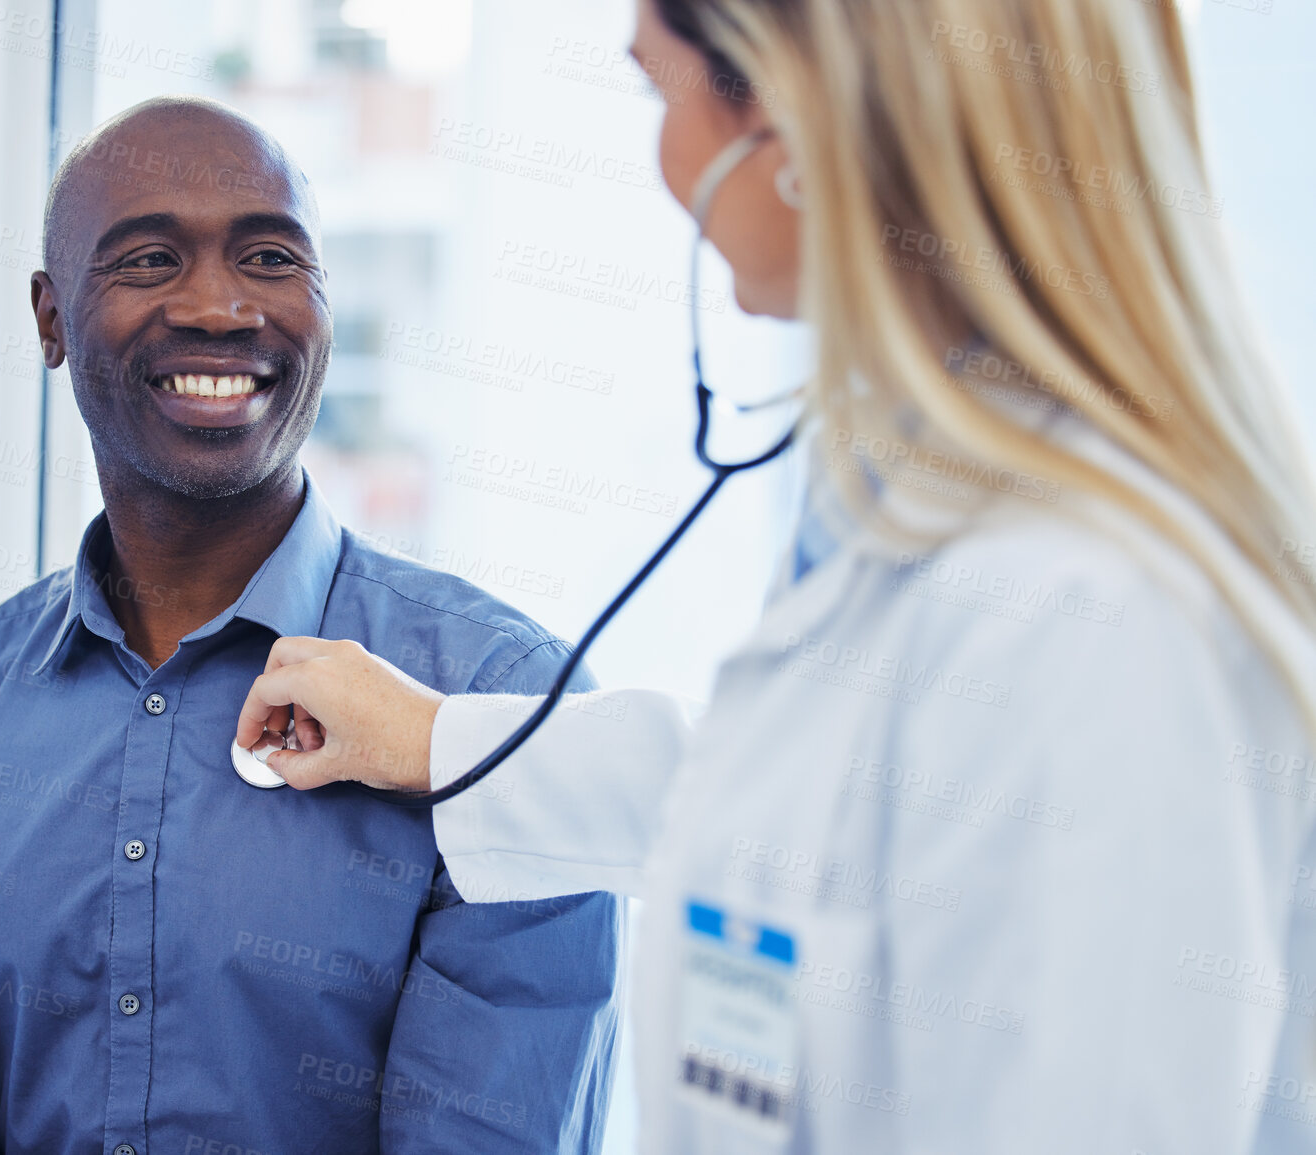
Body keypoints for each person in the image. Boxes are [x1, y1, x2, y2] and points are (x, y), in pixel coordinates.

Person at [237, 0, 1316, 1150]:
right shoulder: (934, 524)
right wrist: (442, 742)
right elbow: (844, 800)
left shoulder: (1093, 617)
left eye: (663, 91)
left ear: (795, 119)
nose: (665, 167)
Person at [0, 98, 623, 1155]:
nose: (219, 307)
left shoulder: (507, 715)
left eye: (271, 258)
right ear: (51, 319)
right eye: (150, 261)